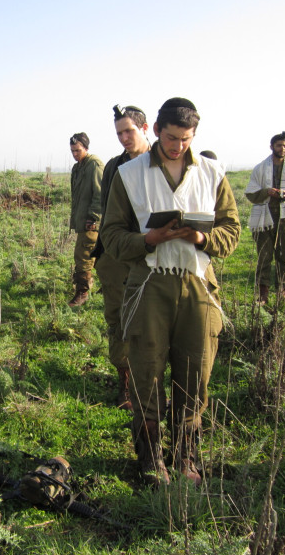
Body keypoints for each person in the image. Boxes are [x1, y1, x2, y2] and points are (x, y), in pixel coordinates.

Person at [100, 98, 240, 486]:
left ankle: (185, 457)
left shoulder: (212, 172)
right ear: (157, 129)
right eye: (172, 137)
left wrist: (201, 237)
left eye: (186, 138)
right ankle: (150, 459)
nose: (178, 145)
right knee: (146, 371)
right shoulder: (128, 175)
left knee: (196, 373)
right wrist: (149, 238)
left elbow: (231, 230)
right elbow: (111, 236)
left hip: (197, 285)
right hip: (149, 284)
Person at [92, 105, 151, 410]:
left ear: (145, 128)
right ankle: (124, 384)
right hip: (117, 255)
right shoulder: (113, 166)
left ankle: (153, 382)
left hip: (156, 251)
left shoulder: (163, 162)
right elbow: (108, 217)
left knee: (154, 320)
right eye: (119, 133)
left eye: (129, 131)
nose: (124, 138)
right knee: (119, 319)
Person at [245, 131, 285, 304]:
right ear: (272, 146)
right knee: (264, 256)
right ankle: (263, 292)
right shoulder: (260, 168)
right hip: (265, 218)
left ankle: (284, 290)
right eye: (279, 145)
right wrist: (267, 192)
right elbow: (250, 192)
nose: (282, 148)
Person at [68, 133, 103, 306]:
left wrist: (93, 218)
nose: (75, 154)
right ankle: (107, 285)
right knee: (99, 256)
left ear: (86, 148)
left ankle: (82, 293)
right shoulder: (78, 168)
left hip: (91, 222)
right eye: (72, 151)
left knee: (83, 257)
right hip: (82, 220)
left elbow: (99, 194)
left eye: (78, 150)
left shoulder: (94, 165)